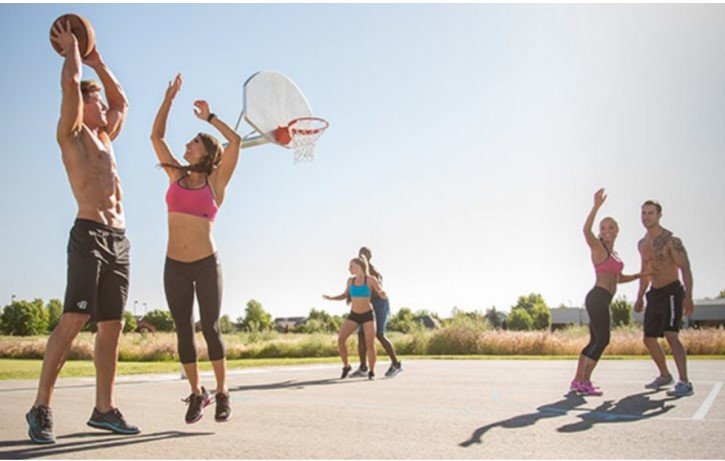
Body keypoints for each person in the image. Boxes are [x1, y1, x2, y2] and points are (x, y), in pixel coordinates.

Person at [26, 20, 139, 444]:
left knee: (113, 325)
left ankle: (104, 409)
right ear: (85, 106)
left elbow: (122, 101)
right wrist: (74, 51)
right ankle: (41, 407)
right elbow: (71, 84)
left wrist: (98, 60)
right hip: (89, 232)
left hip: (119, 239)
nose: (106, 110)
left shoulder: (107, 137)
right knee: (75, 317)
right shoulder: (72, 135)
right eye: (98, 104)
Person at [151, 73, 242, 422]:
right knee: (183, 329)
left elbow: (234, 144)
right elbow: (155, 136)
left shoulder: (216, 182)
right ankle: (195, 392)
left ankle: (222, 393)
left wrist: (210, 118)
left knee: (210, 327)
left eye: (193, 143)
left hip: (206, 263)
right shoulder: (175, 175)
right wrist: (169, 99)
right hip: (173, 264)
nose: (186, 147)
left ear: (206, 151)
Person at [570, 189, 642, 396]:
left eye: (611, 226)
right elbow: (585, 230)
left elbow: (618, 278)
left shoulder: (615, 255)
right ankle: (585, 381)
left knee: (595, 340)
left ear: (617, 230)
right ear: (600, 232)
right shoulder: (598, 248)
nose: (607, 230)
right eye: (603, 227)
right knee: (603, 340)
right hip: (597, 297)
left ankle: (577, 381)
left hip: (603, 299)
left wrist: (640, 275)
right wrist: (596, 206)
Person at [635, 200, 695, 397]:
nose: (646, 217)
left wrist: (688, 296)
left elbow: (685, 268)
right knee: (649, 339)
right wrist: (640, 296)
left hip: (671, 292)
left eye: (650, 213)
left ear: (659, 215)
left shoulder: (671, 240)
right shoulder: (642, 244)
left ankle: (684, 382)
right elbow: (645, 271)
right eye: (643, 213)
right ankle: (664, 375)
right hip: (654, 293)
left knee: (671, 335)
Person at [323, 256, 385, 380]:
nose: (349, 269)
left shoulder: (370, 279)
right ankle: (346, 366)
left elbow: (379, 291)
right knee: (341, 340)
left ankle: (371, 371)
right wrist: (332, 298)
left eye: (351, 266)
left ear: (359, 266)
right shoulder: (350, 281)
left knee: (370, 343)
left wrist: (383, 294)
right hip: (354, 315)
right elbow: (345, 295)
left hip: (368, 315)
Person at [348, 247, 402, 378]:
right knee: (361, 335)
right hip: (367, 306)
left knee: (379, 334)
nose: (361, 257)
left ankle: (396, 364)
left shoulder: (373, 272)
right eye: (360, 255)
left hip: (379, 304)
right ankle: (363, 368)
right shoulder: (359, 272)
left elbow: (377, 290)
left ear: (368, 257)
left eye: (364, 255)